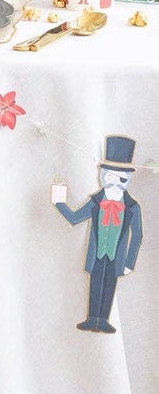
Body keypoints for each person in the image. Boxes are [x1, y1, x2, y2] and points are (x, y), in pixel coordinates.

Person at [53, 135, 144, 332]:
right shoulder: (95, 202)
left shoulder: (133, 207)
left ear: (128, 179)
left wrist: (129, 263)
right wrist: (59, 200)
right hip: (96, 254)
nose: (114, 183)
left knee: (110, 284)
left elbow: (137, 236)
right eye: (110, 177)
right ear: (103, 174)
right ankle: (92, 317)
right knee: (95, 282)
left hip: (116, 257)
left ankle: (103, 319)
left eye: (120, 179)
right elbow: (74, 218)